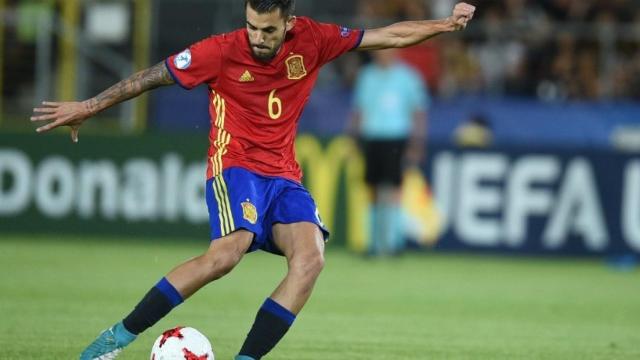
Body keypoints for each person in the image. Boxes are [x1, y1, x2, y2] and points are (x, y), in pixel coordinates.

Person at [30, 1, 476, 359]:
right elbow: (151, 77)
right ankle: (115, 340)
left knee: (311, 258)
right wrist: (89, 107)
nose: (258, 38)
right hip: (234, 164)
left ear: (289, 22)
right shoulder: (219, 50)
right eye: (252, 28)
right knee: (228, 253)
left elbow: (389, 36)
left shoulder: (314, 39)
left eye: (268, 30)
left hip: (283, 175)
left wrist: (445, 24)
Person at [350, 48, 430, 256]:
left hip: (396, 137)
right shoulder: (366, 76)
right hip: (372, 137)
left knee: (395, 189)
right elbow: (358, 110)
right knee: (373, 190)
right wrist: (353, 138)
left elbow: (418, 112)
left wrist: (417, 143)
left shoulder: (408, 77)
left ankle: (394, 243)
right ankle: (374, 244)